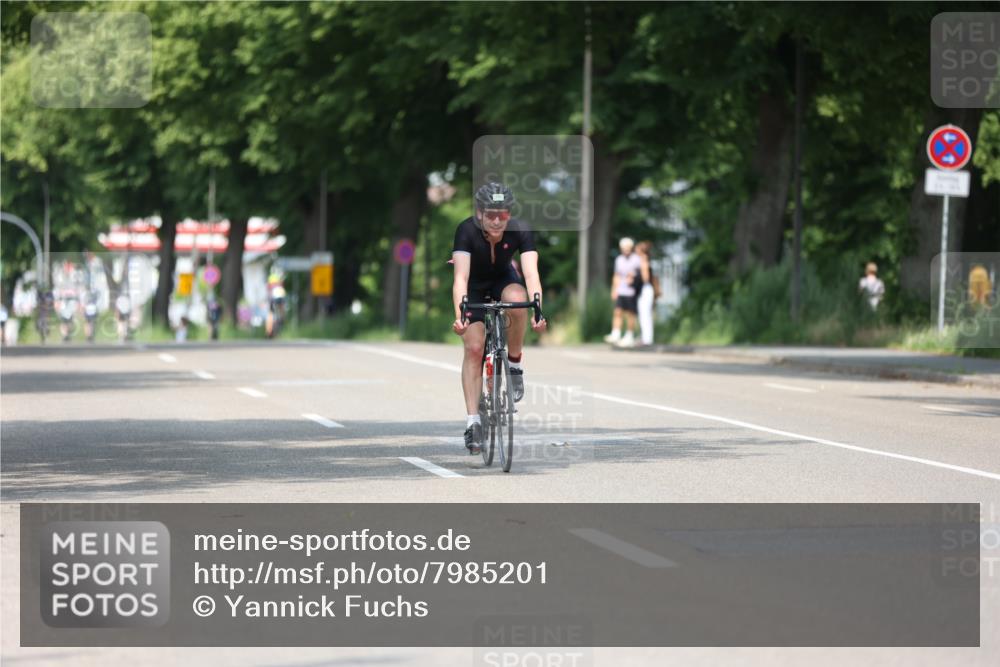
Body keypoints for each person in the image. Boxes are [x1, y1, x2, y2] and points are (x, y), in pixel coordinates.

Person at [452, 182, 547, 454]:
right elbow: (460, 278)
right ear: (479, 213)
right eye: (490, 214)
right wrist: (461, 314)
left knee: (518, 300)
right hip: (473, 285)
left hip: (504, 281)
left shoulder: (520, 230)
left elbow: (531, 274)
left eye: (502, 215)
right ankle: (473, 423)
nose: (496, 221)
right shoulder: (466, 230)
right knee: (473, 348)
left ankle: (514, 363)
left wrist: (538, 310)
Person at [605, 237, 642, 347]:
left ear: (631, 248)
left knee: (630, 314)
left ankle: (629, 335)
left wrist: (634, 277)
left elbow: (641, 273)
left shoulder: (636, 259)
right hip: (621, 290)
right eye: (624, 248)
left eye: (628, 248)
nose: (626, 250)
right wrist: (614, 289)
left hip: (631, 291)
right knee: (617, 312)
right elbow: (617, 275)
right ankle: (616, 333)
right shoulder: (619, 260)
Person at [635, 241, 660, 346]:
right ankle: (646, 337)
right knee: (644, 314)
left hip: (645, 289)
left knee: (645, 314)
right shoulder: (645, 260)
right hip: (646, 289)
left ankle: (647, 339)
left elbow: (645, 278)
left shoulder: (643, 260)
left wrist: (635, 277)